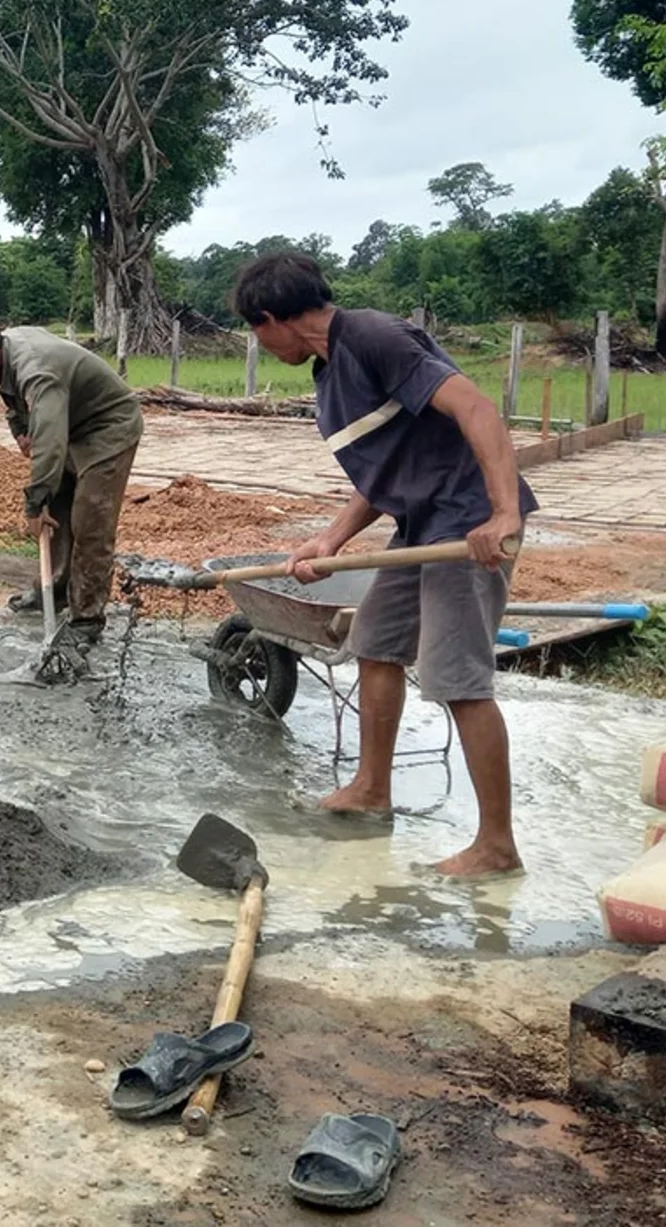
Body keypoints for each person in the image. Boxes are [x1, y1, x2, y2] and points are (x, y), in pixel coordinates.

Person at [232, 252, 535, 878]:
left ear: (270, 319)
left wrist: (502, 514)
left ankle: (497, 846)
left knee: (457, 677)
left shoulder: (373, 337)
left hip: (466, 520)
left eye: (254, 332)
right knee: (376, 642)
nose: (259, 345)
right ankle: (372, 788)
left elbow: (477, 409)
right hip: (419, 523)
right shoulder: (331, 368)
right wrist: (332, 539)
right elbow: (386, 467)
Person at [0, 315, 143, 642]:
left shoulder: (37, 370)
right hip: (71, 423)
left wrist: (34, 503)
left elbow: (50, 441)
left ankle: (87, 617)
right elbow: (12, 400)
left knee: (90, 520)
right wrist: (21, 431)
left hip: (108, 427)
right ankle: (56, 591)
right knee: (59, 507)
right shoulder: (7, 356)